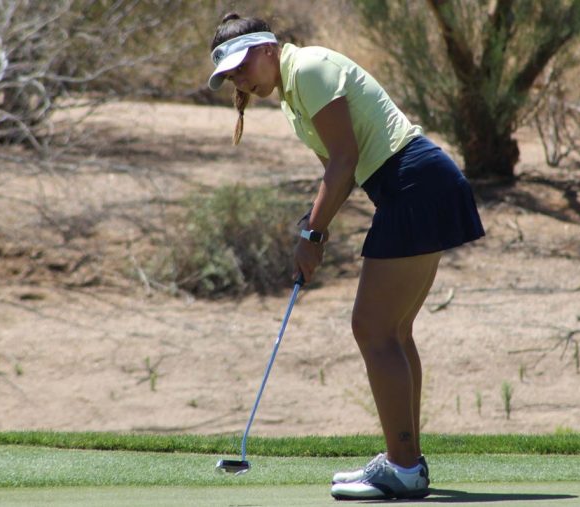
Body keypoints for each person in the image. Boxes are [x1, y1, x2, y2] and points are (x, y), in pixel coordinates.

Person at [207, 13, 485, 501]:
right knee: (393, 332)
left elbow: (344, 162)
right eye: (230, 75)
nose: (239, 78)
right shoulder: (292, 100)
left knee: (372, 329)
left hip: (413, 182)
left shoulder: (309, 69)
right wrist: (313, 225)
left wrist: (312, 237)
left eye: (241, 64)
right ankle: (408, 463)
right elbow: (338, 176)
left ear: (268, 48)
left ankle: (402, 467)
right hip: (418, 183)